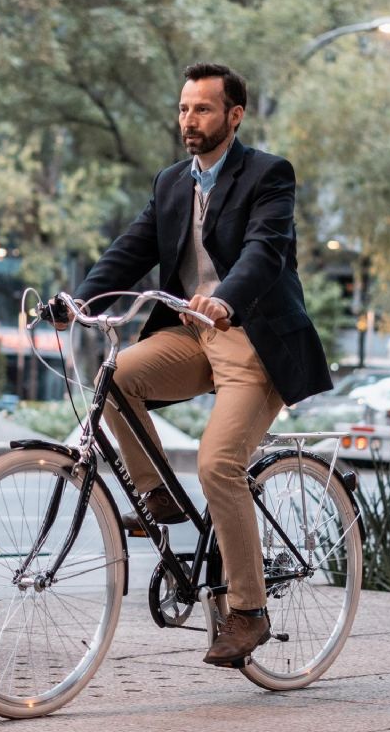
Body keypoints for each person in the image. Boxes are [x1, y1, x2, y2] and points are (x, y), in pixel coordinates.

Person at [67, 62, 332, 666]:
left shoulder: (268, 174)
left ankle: (248, 611)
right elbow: (130, 249)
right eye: (185, 108)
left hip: (252, 342)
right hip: (191, 335)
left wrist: (226, 297)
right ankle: (157, 493)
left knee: (218, 463)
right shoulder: (169, 183)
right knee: (115, 377)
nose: (190, 120)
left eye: (204, 109)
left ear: (233, 116)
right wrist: (79, 299)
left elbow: (266, 251)